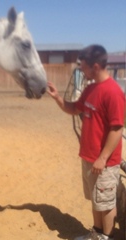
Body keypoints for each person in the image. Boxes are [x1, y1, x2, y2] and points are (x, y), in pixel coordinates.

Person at [47, 44, 125, 240]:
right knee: (96, 200)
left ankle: (106, 237)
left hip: (104, 162)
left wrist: (103, 158)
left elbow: (117, 129)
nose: (81, 69)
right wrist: (57, 98)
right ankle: (97, 234)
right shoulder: (91, 88)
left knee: (106, 204)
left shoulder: (113, 92)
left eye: (83, 66)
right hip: (89, 158)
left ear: (96, 66)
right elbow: (75, 109)